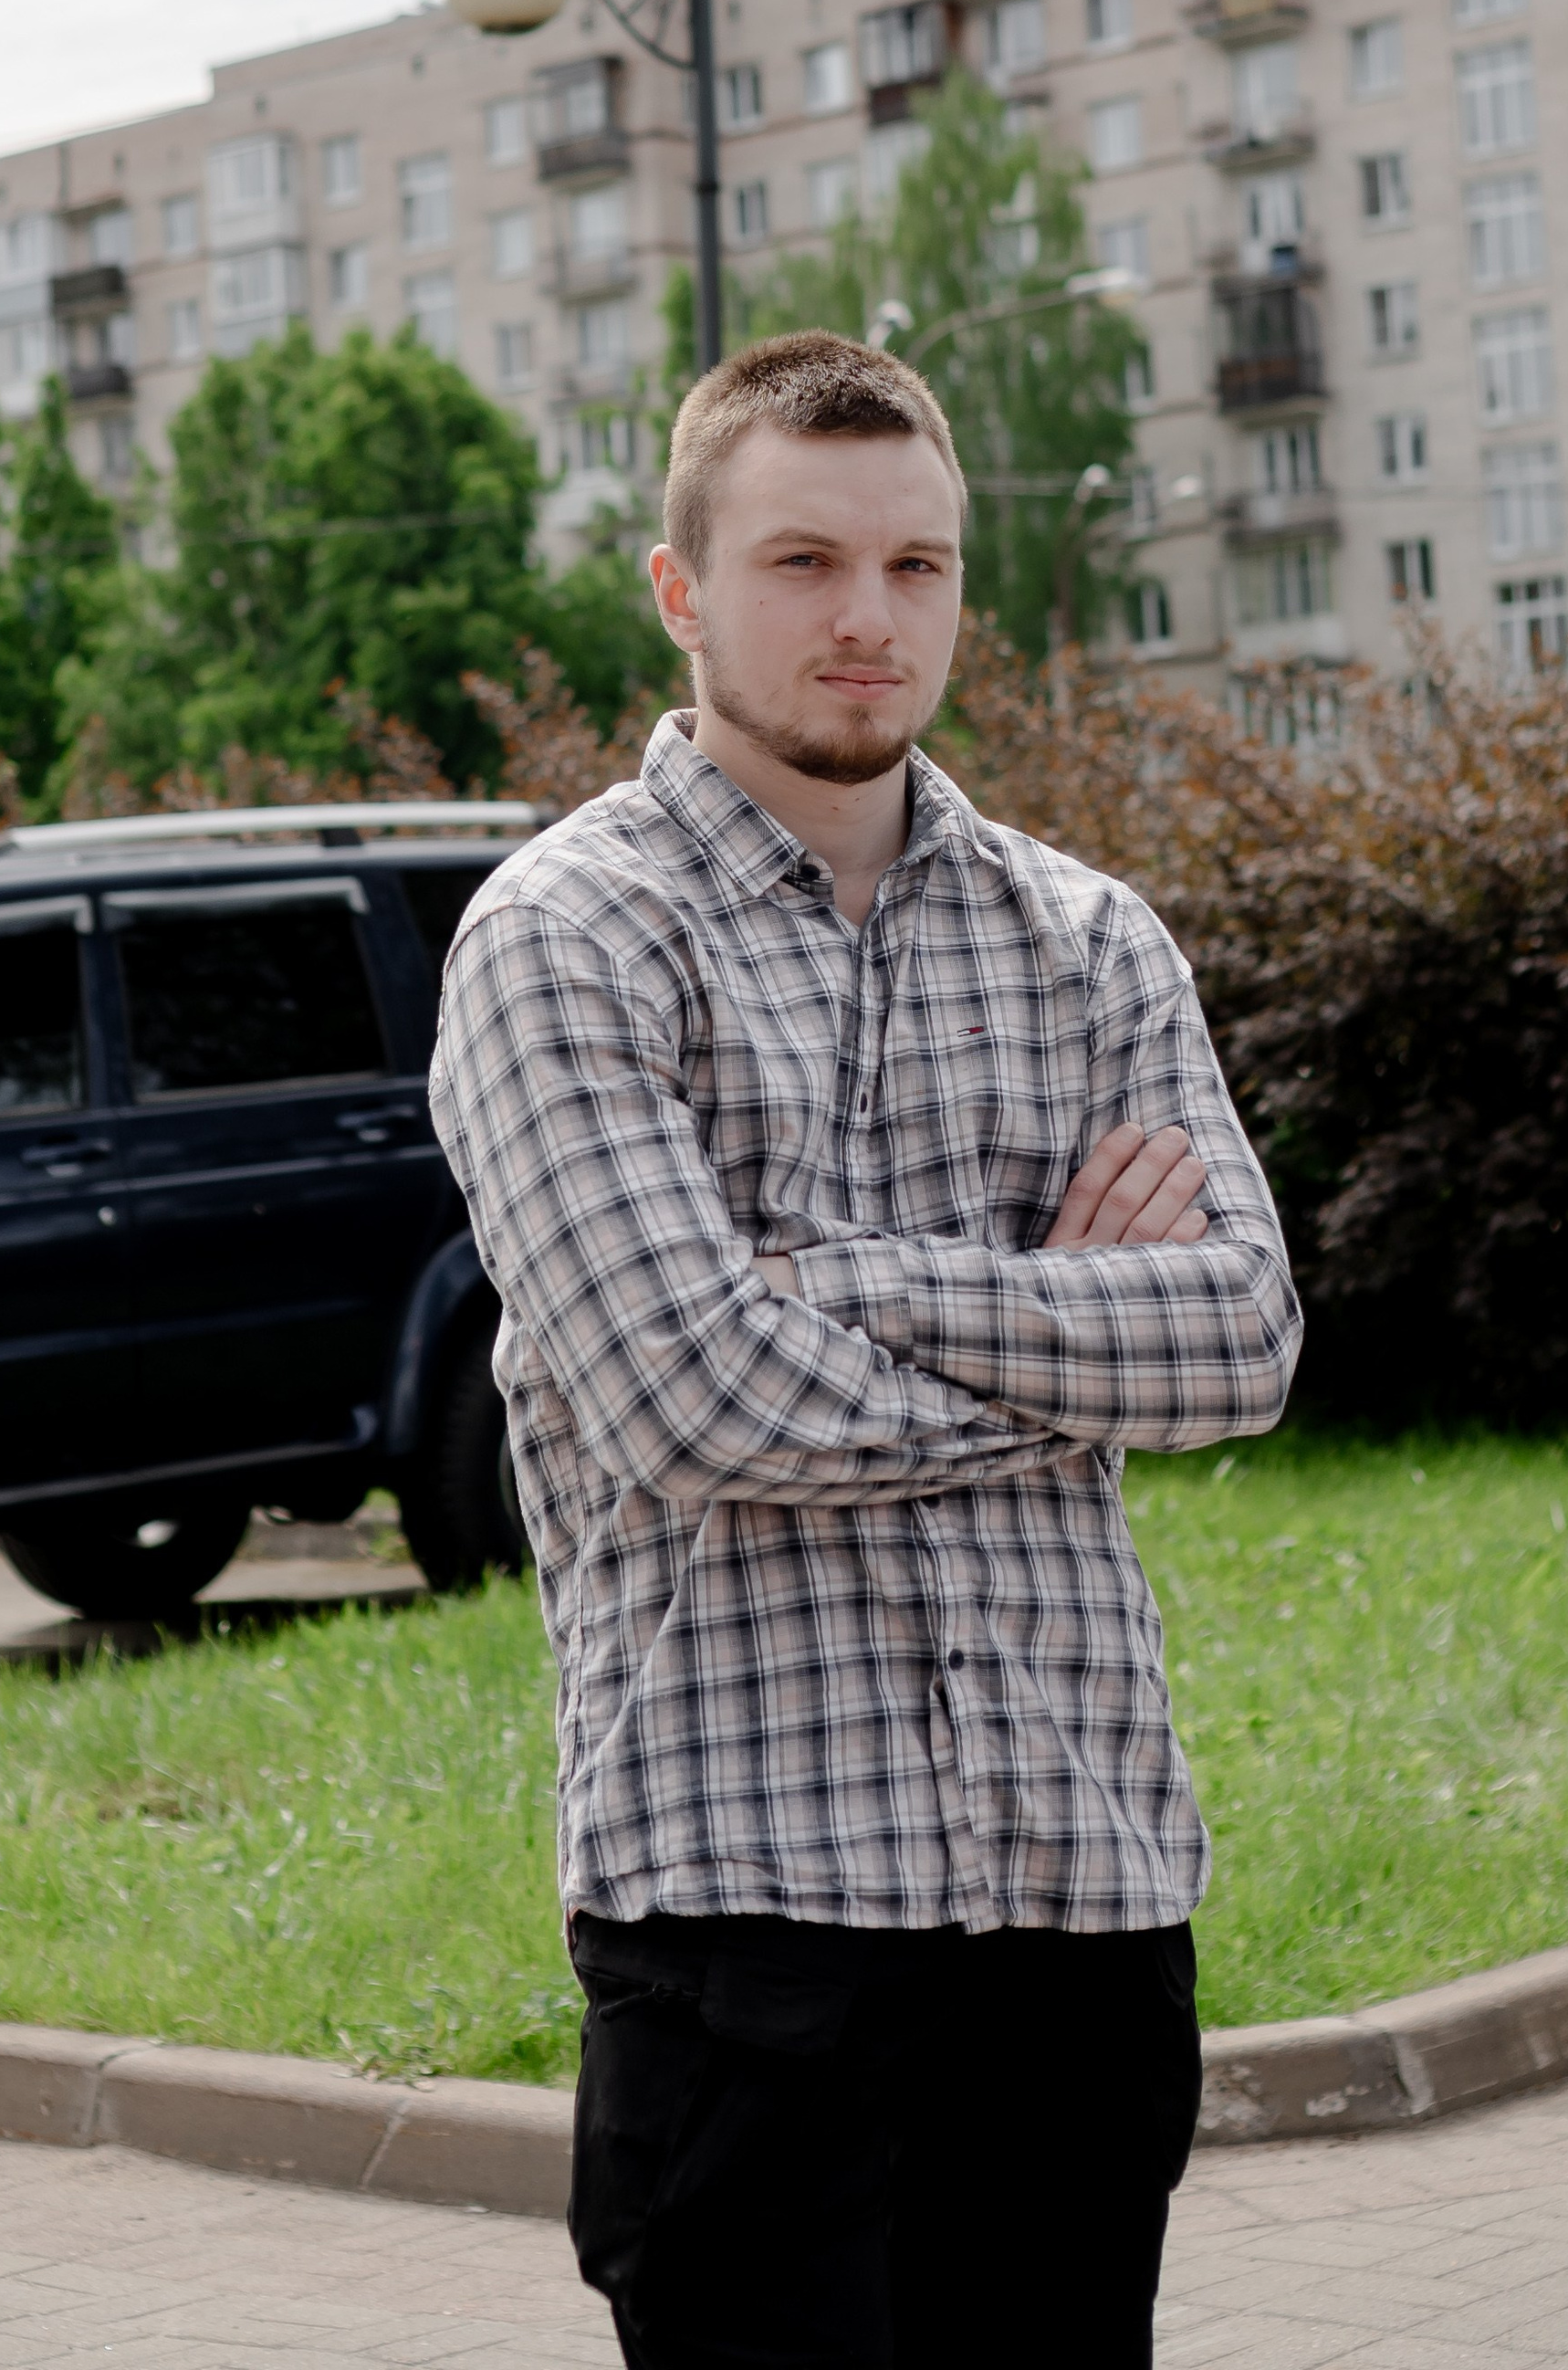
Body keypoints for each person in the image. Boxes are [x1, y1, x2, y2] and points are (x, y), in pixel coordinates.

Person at [430, 330, 1301, 2370]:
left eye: (915, 568)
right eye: (802, 561)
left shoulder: (1090, 941)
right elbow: (691, 1396)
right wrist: (1066, 1336)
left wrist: (840, 1279)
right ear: (679, 589)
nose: (864, 619)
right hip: (750, 1952)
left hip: (1081, 1919)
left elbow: (1243, 1338)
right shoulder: (563, 939)